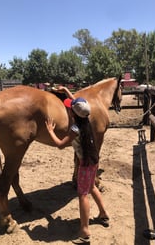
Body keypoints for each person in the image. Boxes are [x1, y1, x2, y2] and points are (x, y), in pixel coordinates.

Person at [45, 87, 110, 244]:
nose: (68, 109)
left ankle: (85, 232)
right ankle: (103, 213)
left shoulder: (75, 129)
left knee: (82, 194)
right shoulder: (86, 119)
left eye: (70, 109)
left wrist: (50, 131)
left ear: (73, 113)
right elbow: (78, 104)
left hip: (85, 165)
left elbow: (60, 145)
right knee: (92, 187)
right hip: (93, 161)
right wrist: (66, 90)